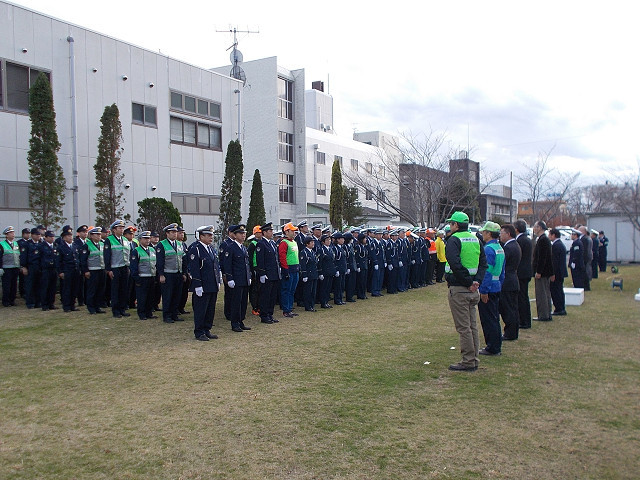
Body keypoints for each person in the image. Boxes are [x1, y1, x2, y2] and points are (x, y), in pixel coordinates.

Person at [444, 211, 487, 372]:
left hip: (460, 289)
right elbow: (483, 263)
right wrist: (476, 282)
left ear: (456, 225)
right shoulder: (476, 239)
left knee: (464, 328)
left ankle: (468, 361)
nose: (449, 226)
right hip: (472, 288)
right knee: (472, 326)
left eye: (451, 223)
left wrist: (469, 283)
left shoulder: (454, 240)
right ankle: (474, 358)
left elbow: (455, 264)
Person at [188, 225, 221, 341]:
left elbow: (215, 266)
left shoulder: (211, 248)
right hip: (202, 284)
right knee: (201, 309)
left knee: (210, 309)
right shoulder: (195, 248)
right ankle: (199, 332)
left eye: (211, 235)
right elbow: (194, 268)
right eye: (208, 235)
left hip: (212, 284)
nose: (211, 237)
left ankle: (207, 329)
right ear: (201, 236)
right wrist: (197, 285)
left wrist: (218, 280)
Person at [477, 221, 504, 356]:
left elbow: (486, 271)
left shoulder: (488, 249)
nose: (482, 234)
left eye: (484, 232)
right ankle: (496, 344)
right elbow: (501, 271)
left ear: (488, 233)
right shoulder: (499, 248)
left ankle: (492, 347)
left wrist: (484, 290)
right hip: (497, 286)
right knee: (494, 317)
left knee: (488, 319)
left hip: (489, 288)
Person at [220, 224, 252, 332]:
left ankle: (241, 321)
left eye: (244, 233)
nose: (243, 236)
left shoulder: (243, 247)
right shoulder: (230, 247)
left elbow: (247, 264)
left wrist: (249, 276)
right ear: (235, 235)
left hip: (244, 279)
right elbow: (227, 264)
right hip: (236, 280)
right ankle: (235, 323)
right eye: (241, 233)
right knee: (236, 302)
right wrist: (229, 278)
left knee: (243, 302)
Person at [156, 223, 186, 323]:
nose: (175, 234)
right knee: (168, 295)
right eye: (172, 232)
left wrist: (184, 273)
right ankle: (167, 315)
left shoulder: (179, 244)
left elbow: (183, 259)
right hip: (167, 273)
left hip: (178, 273)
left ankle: (174, 314)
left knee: (177, 295)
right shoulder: (162, 244)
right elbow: (160, 261)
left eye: (176, 232)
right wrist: (161, 274)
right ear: (167, 233)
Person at [104, 220, 131, 318]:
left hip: (124, 267)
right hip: (115, 267)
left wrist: (128, 266)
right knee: (115, 289)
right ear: (114, 230)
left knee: (124, 289)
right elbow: (107, 255)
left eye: (122, 228)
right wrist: (108, 269)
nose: (121, 230)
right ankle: (116, 310)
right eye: (119, 228)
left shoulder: (125, 240)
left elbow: (128, 254)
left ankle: (122, 309)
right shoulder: (109, 240)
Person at [499, 224, 522, 341]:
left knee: (508, 309)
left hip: (508, 281)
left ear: (508, 234)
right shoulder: (514, 245)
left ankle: (510, 333)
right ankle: (512, 331)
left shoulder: (509, 247)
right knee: (511, 308)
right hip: (512, 280)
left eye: (501, 233)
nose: (500, 236)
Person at [255, 223, 280, 324]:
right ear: (264, 232)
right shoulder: (261, 244)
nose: (272, 233)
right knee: (265, 295)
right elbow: (260, 260)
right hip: (267, 274)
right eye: (270, 231)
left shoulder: (272, 243)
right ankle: (264, 315)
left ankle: (270, 314)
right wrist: (262, 273)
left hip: (274, 273)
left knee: (272, 296)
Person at [130, 230, 157, 320]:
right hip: (142, 277)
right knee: (142, 297)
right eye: (145, 238)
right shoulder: (136, 251)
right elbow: (133, 267)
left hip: (151, 277)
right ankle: (142, 313)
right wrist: (137, 279)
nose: (147, 240)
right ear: (140, 239)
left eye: (149, 238)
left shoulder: (152, 250)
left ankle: (149, 312)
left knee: (150, 296)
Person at [78, 227, 107, 315]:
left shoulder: (102, 244)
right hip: (92, 270)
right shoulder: (87, 245)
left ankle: (97, 306)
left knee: (100, 289)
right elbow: (83, 260)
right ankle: (91, 307)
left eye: (99, 234)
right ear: (91, 235)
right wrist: (85, 271)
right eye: (97, 234)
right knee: (92, 290)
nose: (99, 236)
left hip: (101, 269)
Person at [532, 221, 554, 322]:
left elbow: (542, 257)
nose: (534, 228)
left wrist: (539, 271)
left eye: (536, 227)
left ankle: (543, 315)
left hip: (543, 272)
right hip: (546, 271)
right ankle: (547, 313)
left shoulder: (543, 240)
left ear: (540, 227)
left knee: (542, 293)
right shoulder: (543, 239)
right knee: (545, 292)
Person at [514, 219, 533, 330]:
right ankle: (524, 320)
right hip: (525, 271)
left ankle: (524, 321)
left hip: (522, 272)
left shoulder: (521, 240)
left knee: (522, 298)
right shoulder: (526, 239)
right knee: (523, 297)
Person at [279, 223, 300, 318]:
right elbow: (282, 257)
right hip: (289, 269)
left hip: (295, 269)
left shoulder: (294, 242)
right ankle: (286, 310)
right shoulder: (284, 243)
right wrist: (285, 270)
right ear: (287, 232)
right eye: (292, 231)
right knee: (286, 290)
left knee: (292, 290)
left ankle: (290, 308)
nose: (294, 232)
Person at [56, 229, 79, 312]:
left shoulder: (75, 245)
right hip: (67, 270)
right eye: (68, 236)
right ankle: (66, 306)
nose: (70, 237)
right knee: (67, 288)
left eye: (71, 235)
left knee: (74, 288)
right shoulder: (61, 247)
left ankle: (72, 305)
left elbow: (77, 258)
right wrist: (60, 272)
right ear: (64, 238)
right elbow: (58, 261)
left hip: (75, 270)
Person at [20, 227, 43, 309]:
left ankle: (38, 302)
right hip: (30, 267)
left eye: (39, 234)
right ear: (32, 235)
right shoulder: (26, 244)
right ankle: (30, 303)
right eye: (37, 234)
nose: (38, 236)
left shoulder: (41, 244)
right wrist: (24, 267)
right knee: (30, 285)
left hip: (39, 267)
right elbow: (23, 257)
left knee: (39, 285)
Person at [549, 228, 568, 316]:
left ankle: (559, 308)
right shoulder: (560, 244)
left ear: (554, 235)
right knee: (559, 290)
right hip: (561, 272)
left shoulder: (556, 246)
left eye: (550, 234)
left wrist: (553, 273)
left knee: (556, 290)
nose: (549, 236)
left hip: (557, 273)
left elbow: (555, 262)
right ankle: (561, 308)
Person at [1, 226, 21, 307]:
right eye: (11, 233)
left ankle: (12, 300)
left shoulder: (16, 244)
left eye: (13, 233)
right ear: (6, 235)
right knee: (7, 285)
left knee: (14, 285)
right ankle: (6, 301)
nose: (13, 234)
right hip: (6, 268)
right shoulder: (2, 244)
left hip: (15, 267)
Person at [39, 230, 58, 311]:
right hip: (45, 269)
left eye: (53, 236)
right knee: (45, 287)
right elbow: (39, 259)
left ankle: (51, 303)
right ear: (46, 237)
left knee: (53, 287)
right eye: (50, 237)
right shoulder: (41, 246)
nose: (52, 238)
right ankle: (44, 304)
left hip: (54, 269)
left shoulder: (56, 246)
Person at [299, 235, 318, 312]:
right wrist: (304, 275)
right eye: (311, 242)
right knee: (308, 291)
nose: (313, 243)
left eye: (313, 242)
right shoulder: (304, 252)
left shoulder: (313, 252)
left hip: (314, 274)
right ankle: (308, 306)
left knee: (313, 291)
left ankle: (312, 305)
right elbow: (303, 264)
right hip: (308, 274)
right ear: (307, 244)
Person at [247, 225, 263, 316]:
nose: (261, 234)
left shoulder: (261, 242)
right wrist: (252, 270)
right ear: (255, 233)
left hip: (260, 268)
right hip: (255, 268)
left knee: (261, 289)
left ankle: (259, 306)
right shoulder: (253, 244)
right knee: (255, 289)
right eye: (259, 232)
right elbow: (250, 258)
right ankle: (255, 307)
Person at [317, 234, 335, 308]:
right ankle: (323, 302)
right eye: (327, 240)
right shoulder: (321, 250)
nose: (329, 241)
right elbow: (320, 262)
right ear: (323, 242)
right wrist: (320, 272)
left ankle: (326, 301)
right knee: (324, 288)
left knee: (328, 287)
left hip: (330, 271)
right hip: (324, 271)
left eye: (329, 240)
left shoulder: (330, 249)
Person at [176, 227, 190, 316]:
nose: (182, 234)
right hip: (177, 271)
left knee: (185, 291)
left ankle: (181, 307)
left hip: (185, 271)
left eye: (183, 233)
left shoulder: (184, 245)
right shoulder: (175, 245)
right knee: (178, 292)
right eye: (180, 233)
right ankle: (176, 308)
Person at [73, 225, 88, 307]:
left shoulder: (88, 242)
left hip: (87, 266)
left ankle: (86, 299)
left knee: (87, 284)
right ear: (79, 233)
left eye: (86, 232)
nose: (85, 233)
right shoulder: (76, 242)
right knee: (80, 285)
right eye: (83, 232)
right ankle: (80, 300)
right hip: (79, 266)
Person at [331, 232, 347, 304]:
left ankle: (340, 298)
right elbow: (335, 260)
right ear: (337, 240)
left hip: (342, 269)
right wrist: (336, 269)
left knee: (342, 285)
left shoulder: (341, 248)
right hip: (338, 269)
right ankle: (337, 299)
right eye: (341, 239)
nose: (343, 240)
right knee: (338, 285)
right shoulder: (335, 248)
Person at [354, 232, 369, 299]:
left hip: (365, 266)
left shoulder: (364, 247)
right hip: (361, 266)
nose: (366, 240)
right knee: (360, 281)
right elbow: (357, 257)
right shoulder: (358, 247)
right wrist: (358, 266)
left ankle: (363, 293)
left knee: (364, 281)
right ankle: (360, 294)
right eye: (364, 238)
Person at [578, 226, 593, 291]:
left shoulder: (584, 239)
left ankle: (586, 286)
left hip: (585, 258)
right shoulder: (586, 238)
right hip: (586, 258)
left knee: (584, 273)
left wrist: (583, 259)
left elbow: (585, 250)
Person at [385, 230, 400, 294]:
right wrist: (389, 263)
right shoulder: (389, 243)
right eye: (395, 236)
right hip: (392, 262)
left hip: (395, 262)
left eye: (397, 236)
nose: (396, 237)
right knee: (391, 277)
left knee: (395, 277)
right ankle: (390, 289)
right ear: (391, 236)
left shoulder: (394, 243)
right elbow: (388, 254)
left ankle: (394, 289)